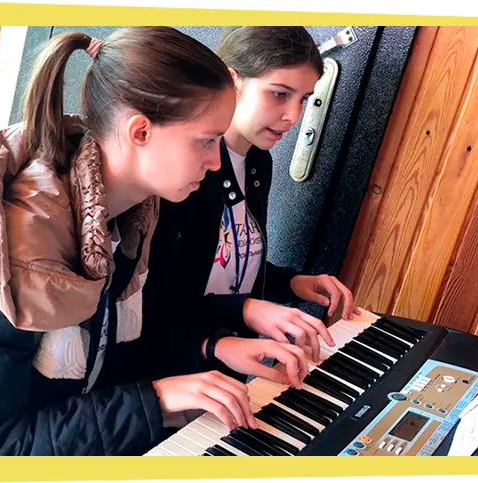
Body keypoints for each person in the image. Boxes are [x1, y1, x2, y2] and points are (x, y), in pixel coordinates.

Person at [0, 27, 309, 457]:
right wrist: (158, 397)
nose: (216, 161)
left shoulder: (134, 218)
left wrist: (209, 351)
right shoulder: (10, 251)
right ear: (140, 132)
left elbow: (131, 348)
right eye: (206, 141)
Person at [142, 27, 361, 386]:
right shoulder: (187, 169)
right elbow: (157, 294)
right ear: (232, 81)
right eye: (280, 94)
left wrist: (292, 283)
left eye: (304, 99)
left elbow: (228, 265)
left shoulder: (258, 161)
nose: (293, 115)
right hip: (174, 373)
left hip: (228, 368)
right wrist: (245, 310)